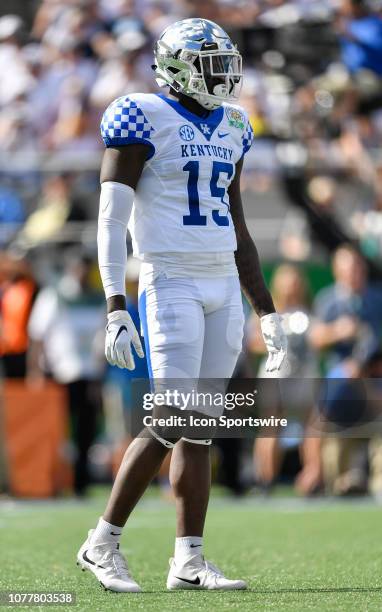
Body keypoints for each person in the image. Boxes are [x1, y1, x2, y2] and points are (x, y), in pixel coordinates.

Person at [77, 18, 287, 593]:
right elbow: (111, 220)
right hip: (169, 279)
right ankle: (102, 541)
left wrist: (266, 310)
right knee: (173, 417)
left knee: (201, 428)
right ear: (175, 66)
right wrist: (115, 304)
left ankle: (188, 561)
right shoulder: (139, 114)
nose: (224, 75)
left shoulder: (236, 125)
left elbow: (238, 225)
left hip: (222, 279)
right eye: (210, 64)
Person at [28, 252, 105, 496]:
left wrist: (100, 376)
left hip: (89, 375)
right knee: (56, 431)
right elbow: (38, 335)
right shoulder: (55, 296)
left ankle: (80, 484)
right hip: (60, 373)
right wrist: (36, 371)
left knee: (85, 431)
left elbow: (102, 339)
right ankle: (53, 482)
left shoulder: (98, 299)